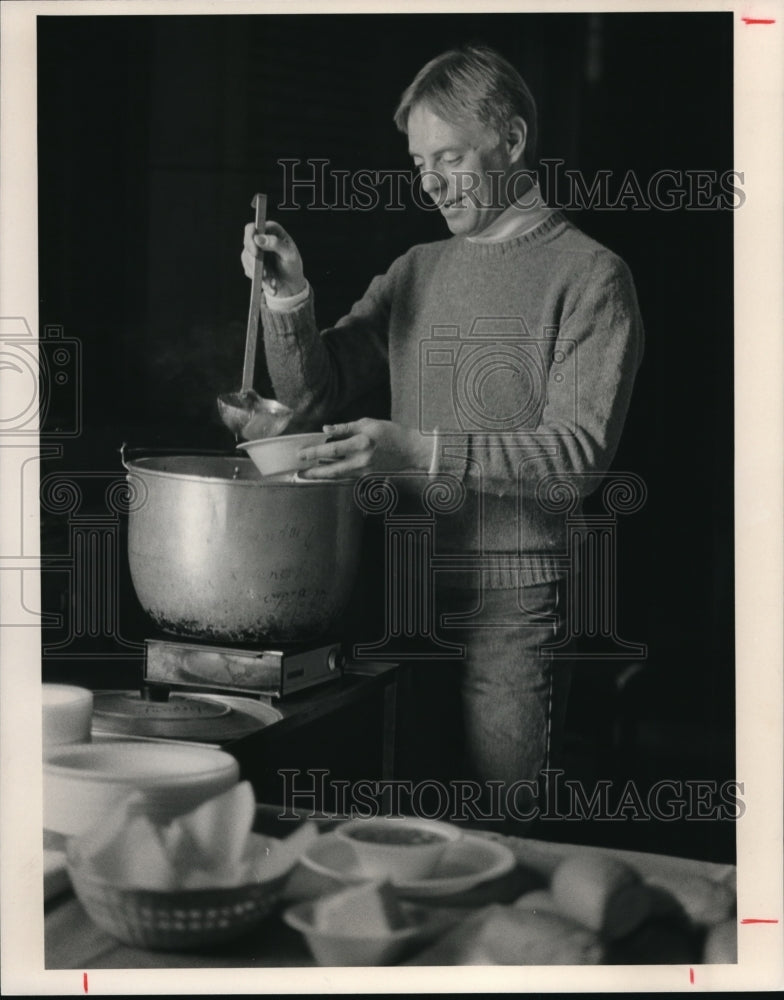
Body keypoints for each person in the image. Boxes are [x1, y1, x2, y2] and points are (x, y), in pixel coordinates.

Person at [241, 45, 644, 827]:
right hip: (390, 585)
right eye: (420, 161)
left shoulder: (593, 277)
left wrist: (420, 450)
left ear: (514, 141)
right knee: (395, 830)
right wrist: (287, 296)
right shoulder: (414, 269)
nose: (428, 180)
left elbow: (578, 458)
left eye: (448, 157)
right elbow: (312, 394)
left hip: (516, 600)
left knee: (502, 827)